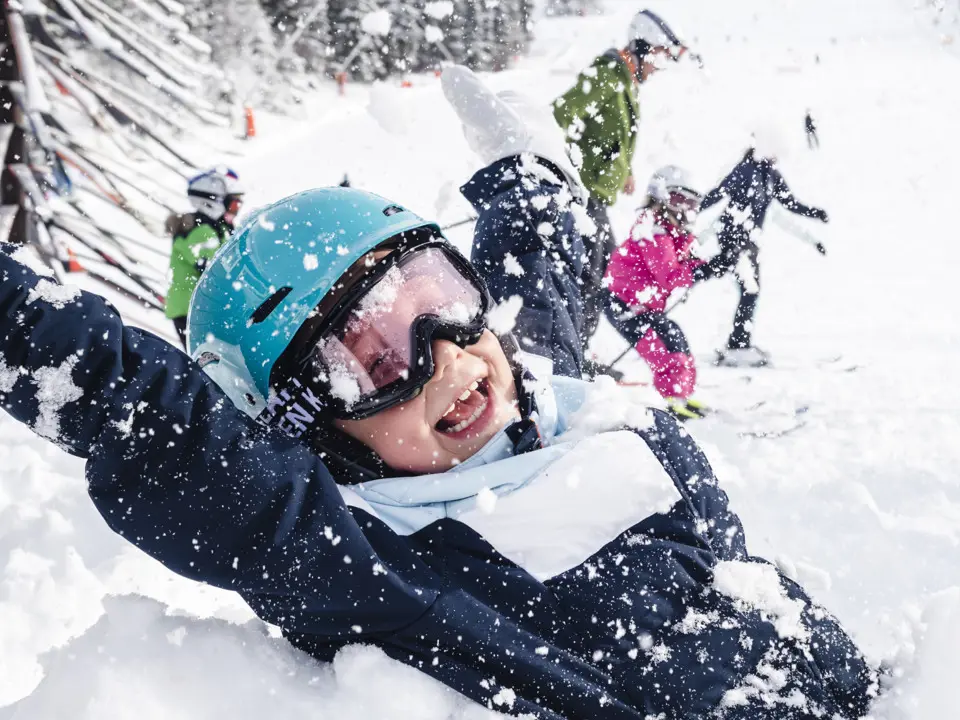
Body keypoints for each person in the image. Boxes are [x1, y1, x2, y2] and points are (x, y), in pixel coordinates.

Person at [0, 186, 879, 719]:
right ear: (308, 427)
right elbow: (168, 424)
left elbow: (543, 294)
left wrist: (520, 187)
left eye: (441, 300)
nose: (446, 356)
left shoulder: (598, 421)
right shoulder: (371, 562)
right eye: (376, 360)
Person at [554, 9, 689, 366]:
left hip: (595, 196)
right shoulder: (606, 76)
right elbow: (560, 115)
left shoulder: (624, 82)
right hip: (582, 195)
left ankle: (579, 351)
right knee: (594, 275)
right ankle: (574, 357)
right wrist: (560, 167)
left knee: (604, 273)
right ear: (643, 46)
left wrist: (624, 170)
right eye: (658, 57)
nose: (658, 68)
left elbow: (612, 136)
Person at [443, 66, 587, 379]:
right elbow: (537, 317)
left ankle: (538, 381)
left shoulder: (523, 200)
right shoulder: (530, 200)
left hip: (534, 376)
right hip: (543, 377)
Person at [700, 130, 829, 367]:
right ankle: (738, 344)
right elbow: (718, 194)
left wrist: (814, 214)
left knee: (749, 289)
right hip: (733, 237)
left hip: (749, 240)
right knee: (749, 288)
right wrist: (690, 210)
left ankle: (738, 341)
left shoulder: (770, 175)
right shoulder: (745, 170)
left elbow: (789, 203)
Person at [604, 165, 711, 419]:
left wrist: (710, 265)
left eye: (690, 203)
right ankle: (672, 399)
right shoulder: (652, 232)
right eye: (678, 200)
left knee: (675, 337)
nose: (684, 208)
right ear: (661, 198)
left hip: (641, 305)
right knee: (664, 345)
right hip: (625, 306)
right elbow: (669, 275)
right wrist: (699, 271)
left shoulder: (671, 233)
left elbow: (682, 261)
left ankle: (682, 394)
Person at [164, 167, 243, 347]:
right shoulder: (201, 231)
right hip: (193, 311)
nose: (235, 211)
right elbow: (218, 270)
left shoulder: (217, 228)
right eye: (233, 205)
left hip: (200, 309)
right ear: (213, 202)